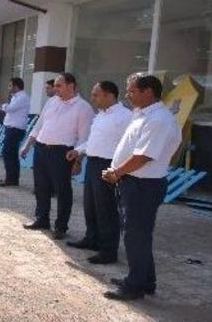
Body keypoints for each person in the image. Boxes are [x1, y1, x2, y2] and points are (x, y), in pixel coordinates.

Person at [101, 75, 181, 301]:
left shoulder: (158, 119)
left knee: (136, 235)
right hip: (133, 182)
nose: (127, 95)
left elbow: (144, 156)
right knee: (138, 235)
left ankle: (134, 286)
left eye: (132, 91)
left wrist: (116, 173)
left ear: (148, 92)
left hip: (143, 185)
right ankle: (145, 280)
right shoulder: (143, 114)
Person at [20, 73, 94, 239]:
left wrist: (78, 161)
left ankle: (61, 226)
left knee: (62, 190)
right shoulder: (52, 101)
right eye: (55, 86)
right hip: (41, 149)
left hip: (62, 153)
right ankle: (42, 218)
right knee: (41, 187)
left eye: (59, 86)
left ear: (71, 86)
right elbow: (39, 125)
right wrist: (27, 145)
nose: (55, 89)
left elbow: (84, 138)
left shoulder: (83, 108)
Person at [65, 81, 131, 264]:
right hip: (93, 163)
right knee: (91, 205)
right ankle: (92, 238)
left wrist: (119, 170)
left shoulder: (125, 116)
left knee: (107, 209)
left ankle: (108, 251)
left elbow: (130, 145)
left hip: (109, 165)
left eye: (96, 94)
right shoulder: (100, 115)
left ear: (109, 95)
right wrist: (78, 151)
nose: (92, 98)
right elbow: (93, 141)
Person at [0, 77, 29, 187]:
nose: (8, 88)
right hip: (11, 129)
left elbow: (10, 109)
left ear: (16, 86)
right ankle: (12, 179)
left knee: (8, 153)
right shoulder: (16, 97)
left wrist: (0, 103)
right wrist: (3, 105)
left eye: (10, 86)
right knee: (11, 154)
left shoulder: (22, 97)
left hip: (15, 130)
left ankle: (11, 179)